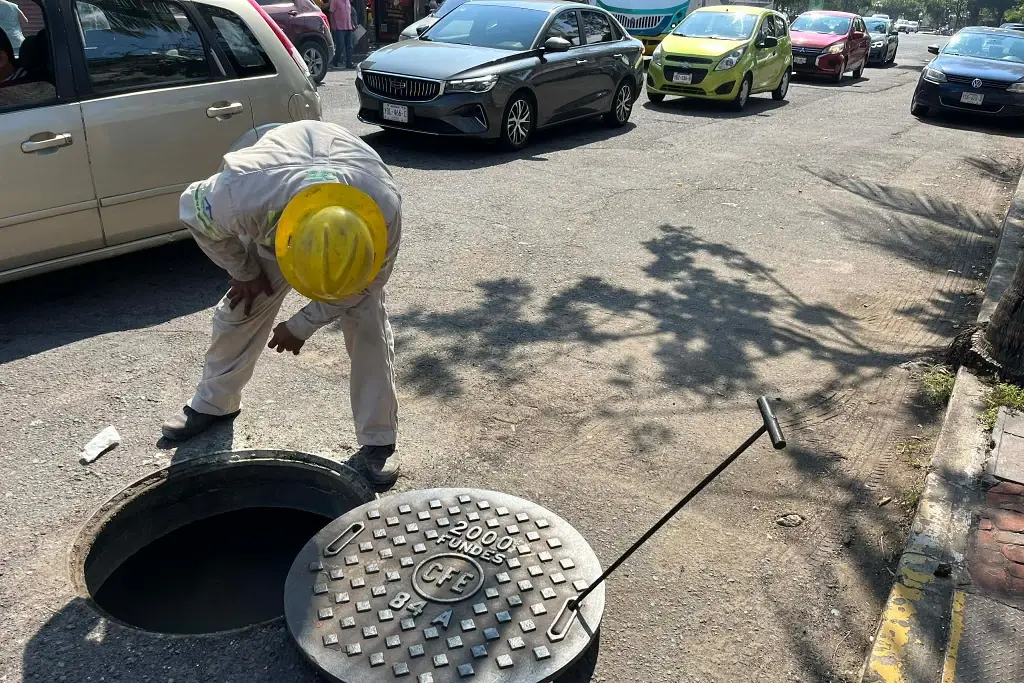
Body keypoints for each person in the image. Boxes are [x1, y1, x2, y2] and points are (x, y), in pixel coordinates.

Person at [162, 121, 403, 490]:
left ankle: (379, 439)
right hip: (279, 206)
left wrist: (302, 324)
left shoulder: (382, 213)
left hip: (348, 213)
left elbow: (365, 286)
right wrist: (244, 271)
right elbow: (192, 210)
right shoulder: (241, 195)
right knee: (239, 309)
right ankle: (214, 403)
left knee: (368, 320)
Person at [330, 0, 355, 69]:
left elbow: (348, 14)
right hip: (339, 27)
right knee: (340, 45)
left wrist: (352, 23)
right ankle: (335, 60)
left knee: (350, 46)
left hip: (348, 27)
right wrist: (333, 25)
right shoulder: (335, 1)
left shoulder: (347, 1)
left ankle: (349, 63)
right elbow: (331, 13)